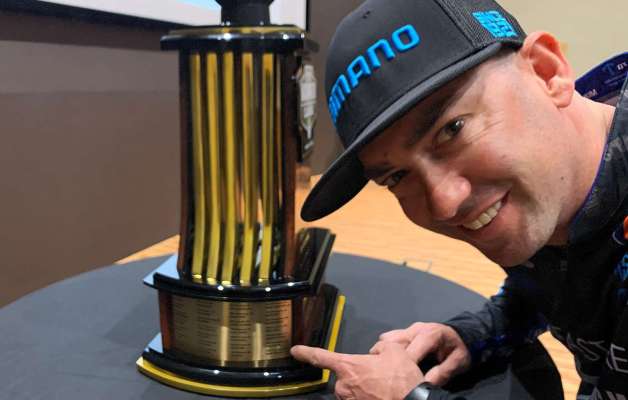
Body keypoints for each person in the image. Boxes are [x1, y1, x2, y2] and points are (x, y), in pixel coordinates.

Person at [288, 0, 628, 399]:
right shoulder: (552, 186)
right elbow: (551, 284)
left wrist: (409, 396)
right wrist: (477, 333)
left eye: (452, 129)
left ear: (545, 71)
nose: (445, 204)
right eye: (396, 176)